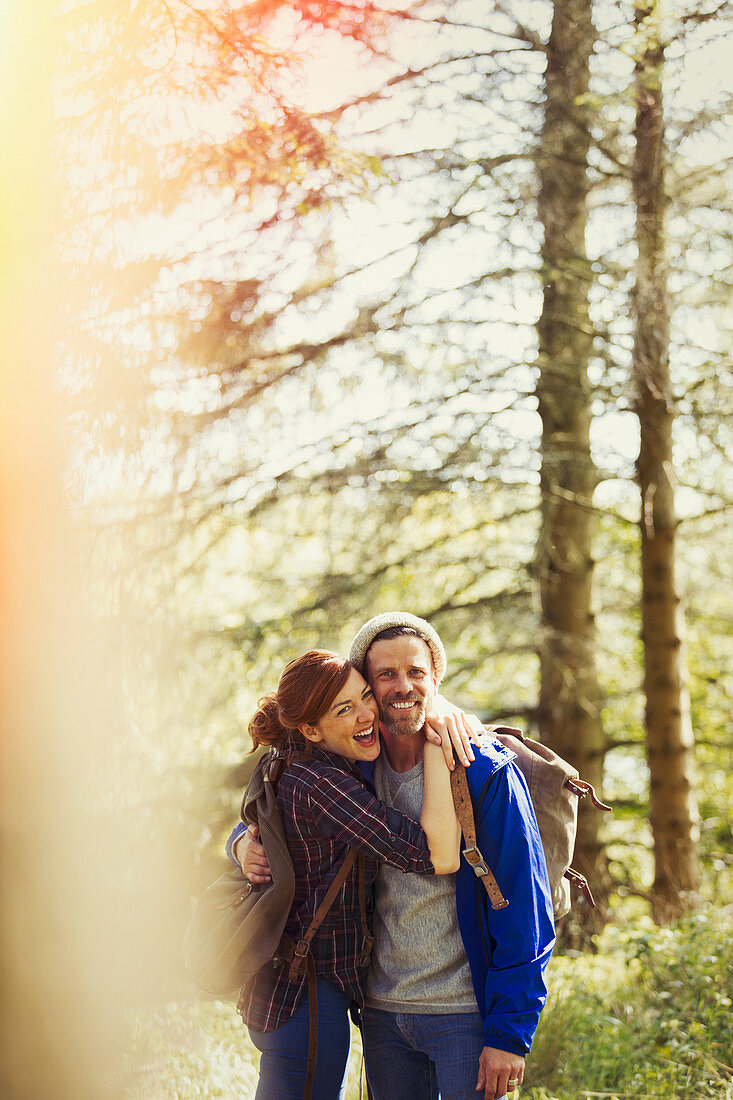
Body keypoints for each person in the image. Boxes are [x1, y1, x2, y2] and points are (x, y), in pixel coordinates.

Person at [232, 613, 556, 1100]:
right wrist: (242, 839)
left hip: (464, 1016)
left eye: (417, 672)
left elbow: (527, 910)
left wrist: (509, 1034)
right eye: (385, 676)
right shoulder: (356, 763)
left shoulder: (484, 771)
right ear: (368, 684)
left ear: (435, 679)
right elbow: (289, 804)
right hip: (382, 1014)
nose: (402, 686)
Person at [235, 648, 462, 1100]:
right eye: (345, 709)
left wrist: (238, 842)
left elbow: (256, 823)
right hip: (307, 998)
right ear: (310, 729)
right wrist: (439, 741)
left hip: (285, 988)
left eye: (364, 697)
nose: (366, 715)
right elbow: (436, 855)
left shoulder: (287, 759)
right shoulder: (321, 783)